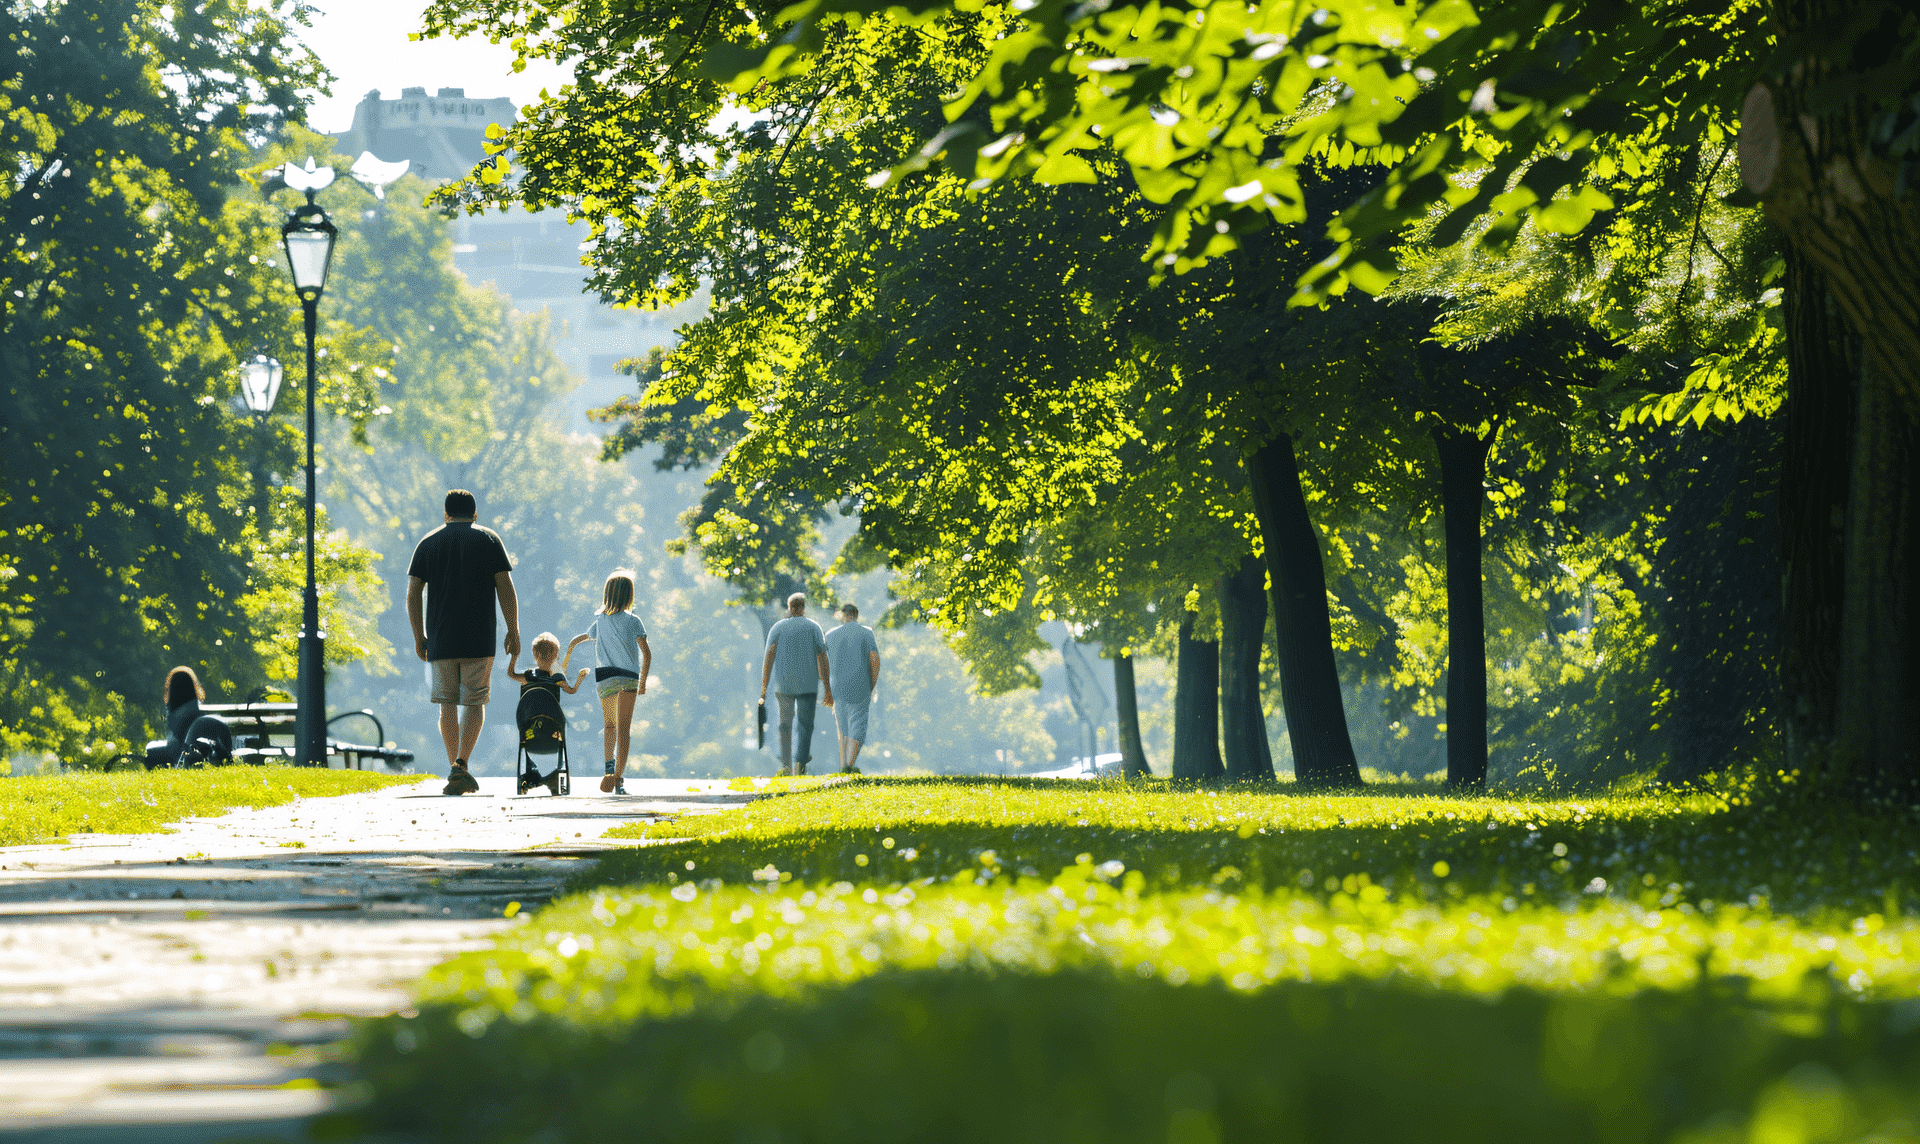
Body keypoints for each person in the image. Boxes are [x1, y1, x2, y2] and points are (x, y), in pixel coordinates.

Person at [406, 489, 519, 796]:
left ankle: (454, 768)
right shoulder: (489, 539)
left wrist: (419, 635)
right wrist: (513, 629)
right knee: (474, 701)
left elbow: (413, 592)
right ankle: (461, 764)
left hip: (440, 639)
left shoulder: (428, 542)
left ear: (445, 514)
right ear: (474, 514)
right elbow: (505, 586)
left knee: (447, 704)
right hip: (479, 637)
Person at [564, 570, 651, 795]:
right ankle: (618, 780)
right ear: (629, 595)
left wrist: (569, 650)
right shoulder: (634, 621)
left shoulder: (600, 621)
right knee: (624, 729)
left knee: (610, 726)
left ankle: (608, 768)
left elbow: (582, 638)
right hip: (628, 677)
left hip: (605, 677)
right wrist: (642, 682)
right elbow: (647, 654)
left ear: (607, 595)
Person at [760, 592, 832, 776]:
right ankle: (801, 766)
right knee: (805, 726)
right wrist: (827, 688)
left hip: (784, 685)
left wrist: (764, 687)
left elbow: (768, 657)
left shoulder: (777, 628)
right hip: (808, 684)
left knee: (785, 725)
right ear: (803, 607)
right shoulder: (814, 627)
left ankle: (786, 766)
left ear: (789, 607)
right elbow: (822, 657)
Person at [507, 632, 586, 795]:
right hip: (553, 734)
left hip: (528, 735)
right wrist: (580, 678)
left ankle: (532, 776)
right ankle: (553, 778)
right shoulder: (557, 678)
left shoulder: (527, 677)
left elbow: (511, 674)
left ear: (534, 653)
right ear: (556, 655)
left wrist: (514, 657)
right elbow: (571, 690)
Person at [823, 603, 881, 774]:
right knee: (858, 725)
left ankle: (843, 766)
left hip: (837, 686)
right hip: (860, 684)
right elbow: (874, 659)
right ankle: (849, 764)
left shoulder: (830, 635)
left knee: (842, 727)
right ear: (856, 614)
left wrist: (827, 688)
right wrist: (872, 685)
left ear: (842, 615)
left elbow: (823, 662)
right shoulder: (867, 632)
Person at [152, 666, 232, 767]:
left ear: (172, 689)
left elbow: (173, 738)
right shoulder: (196, 708)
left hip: (178, 750)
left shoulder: (172, 713)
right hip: (196, 745)